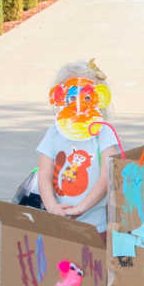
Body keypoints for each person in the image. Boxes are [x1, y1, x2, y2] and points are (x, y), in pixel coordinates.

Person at [38, 59, 117, 235]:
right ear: (60, 96)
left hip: (97, 226)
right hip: (59, 223)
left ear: (99, 97)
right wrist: (52, 207)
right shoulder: (54, 133)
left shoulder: (103, 133)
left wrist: (82, 207)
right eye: (73, 96)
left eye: (86, 97)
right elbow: (43, 174)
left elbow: (108, 175)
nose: (78, 104)